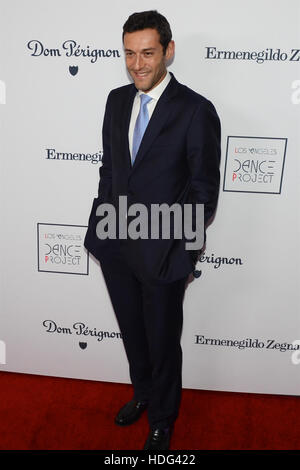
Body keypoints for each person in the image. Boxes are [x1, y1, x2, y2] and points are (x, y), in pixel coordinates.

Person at [84, 10, 221, 450]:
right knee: (133, 334)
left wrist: (182, 257)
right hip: (116, 246)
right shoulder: (115, 100)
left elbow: (204, 194)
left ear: (168, 51)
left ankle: (163, 419)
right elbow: (110, 169)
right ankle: (143, 393)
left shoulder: (196, 110)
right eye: (129, 53)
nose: (137, 64)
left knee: (163, 344)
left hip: (164, 254)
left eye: (147, 53)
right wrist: (101, 227)